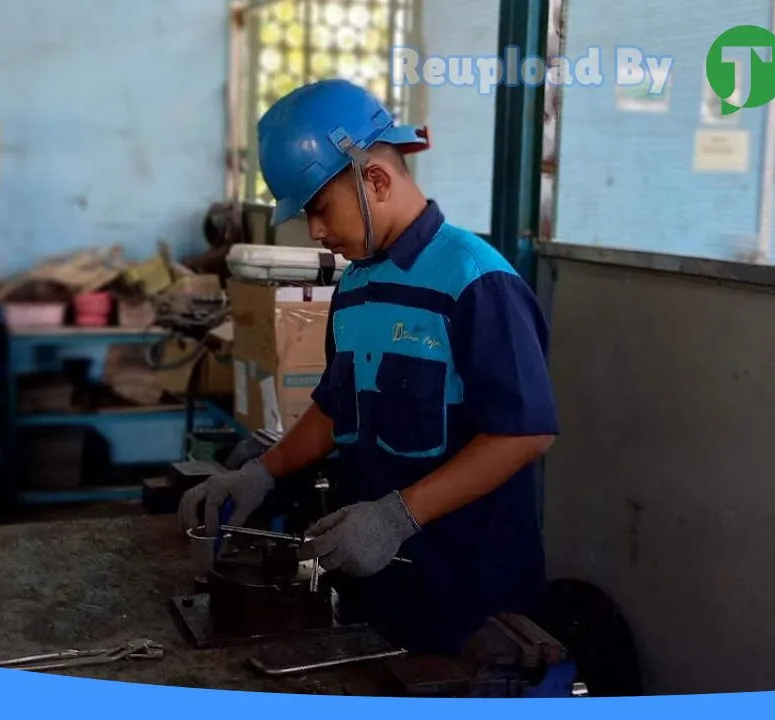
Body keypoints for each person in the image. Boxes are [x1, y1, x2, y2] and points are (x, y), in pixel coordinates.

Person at [180, 78, 560, 656]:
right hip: (377, 585)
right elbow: (337, 407)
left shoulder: (476, 281)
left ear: (376, 180)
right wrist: (261, 472)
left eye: (320, 209)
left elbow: (525, 432)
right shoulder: (357, 285)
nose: (315, 231)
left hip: (471, 598)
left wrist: (396, 518)